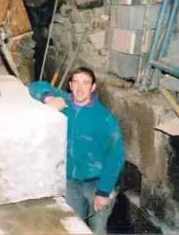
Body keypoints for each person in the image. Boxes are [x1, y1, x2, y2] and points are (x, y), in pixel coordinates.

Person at [29, 67, 125, 235]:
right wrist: (48, 98)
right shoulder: (64, 102)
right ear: (70, 85)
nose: (80, 89)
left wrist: (103, 192)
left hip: (98, 182)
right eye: (76, 82)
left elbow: (115, 156)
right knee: (74, 227)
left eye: (85, 83)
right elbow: (35, 86)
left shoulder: (104, 118)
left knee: (97, 228)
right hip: (71, 181)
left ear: (93, 87)